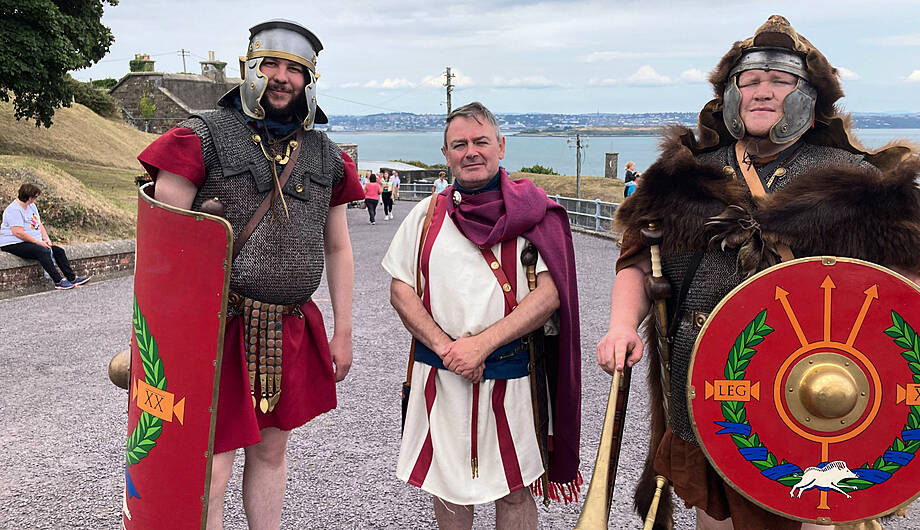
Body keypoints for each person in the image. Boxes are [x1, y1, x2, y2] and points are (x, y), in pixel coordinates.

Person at [596, 15, 920, 530]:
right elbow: (639, 262)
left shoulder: (857, 180)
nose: (763, 92)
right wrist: (622, 325)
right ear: (731, 95)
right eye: (750, 81)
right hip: (710, 394)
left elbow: (906, 285)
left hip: (823, 395)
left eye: (780, 81)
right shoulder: (688, 174)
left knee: (818, 510)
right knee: (712, 518)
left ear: (808, 96)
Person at [136, 20, 363, 529]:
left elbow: (339, 246)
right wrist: (166, 337)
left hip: (289, 326)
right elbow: (165, 248)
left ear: (308, 81)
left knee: (271, 454)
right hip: (217, 328)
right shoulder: (201, 137)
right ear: (250, 68)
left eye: (294, 69)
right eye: (271, 64)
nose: (281, 77)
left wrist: (344, 329)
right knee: (211, 466)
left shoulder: (326, 156)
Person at [383, 102, 583, 529]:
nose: (471, 152)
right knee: (449, 490)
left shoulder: (534, 213)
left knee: (513, 489)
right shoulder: (425, 216)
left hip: (512, 376)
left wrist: (481, 346)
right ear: (446, 153)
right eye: (459, 145)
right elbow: (401, 289)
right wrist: (448, 348)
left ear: (501, 147)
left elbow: (549, 294)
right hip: (440, 374)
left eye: (480, 142)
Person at [0, 183, 90, 290]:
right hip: (14, 243)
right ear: (29, 197)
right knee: (42, 251)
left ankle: (72, 278)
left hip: (32, 241)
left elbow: (38, 224)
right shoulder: (14, 210)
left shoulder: (32, 206)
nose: (36, 200)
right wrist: (38, 243)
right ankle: (58, 281)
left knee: (58, 251)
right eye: (35, 197)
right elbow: (18, 232)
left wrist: (46, 239)